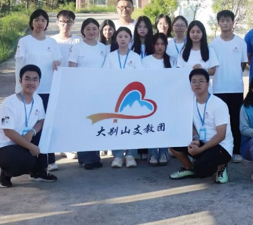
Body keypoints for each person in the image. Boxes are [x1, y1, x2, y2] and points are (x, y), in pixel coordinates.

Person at [0, 65, 57, 187]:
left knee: (48, 132)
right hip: (2, 147)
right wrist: (31, 146)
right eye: (27, 79)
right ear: (20, 81)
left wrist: (31, 133)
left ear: (39, 82)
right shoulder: (9, 103)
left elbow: (41, 121)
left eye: (35, 79)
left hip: (23, 141)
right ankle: (5, 172)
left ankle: (38, 173)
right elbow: (8, 131)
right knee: (27, 162)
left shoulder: (37, 99)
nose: (31, 83)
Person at [15, 9, 61, 171]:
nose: (40, 23)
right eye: (36, 20)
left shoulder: (52, 43)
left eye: (43, 20)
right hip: (30, 91)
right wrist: (19, 88)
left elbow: (58, 64)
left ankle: (49, 159)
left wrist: (57, 65)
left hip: (48, 89)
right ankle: (31, 160)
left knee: (48, 125)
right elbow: (19, 66)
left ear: (47, 23)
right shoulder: (24, 41)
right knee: (31, 125)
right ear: (31, 22)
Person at [169, 69, 233, 184]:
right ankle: (189, 168)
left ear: (208, 84)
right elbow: (191, 124)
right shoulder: (190, 102)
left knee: (202, 171)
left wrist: (200, 150)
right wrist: (195, 139)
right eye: (193, 81)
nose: (197, 84)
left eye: (201, 81)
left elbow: (221, 135)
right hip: (201, 142)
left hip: (220, 146)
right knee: (172, 142)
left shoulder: (219, 104)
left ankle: (222, 165)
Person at [210, 10, 248, 164]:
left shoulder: (241, 42)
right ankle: (221, 150)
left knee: (235, 120)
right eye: (222, 20)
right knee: (219, 122)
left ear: (233, 22)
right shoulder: (213, 44)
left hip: (236, 88)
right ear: (218, 23)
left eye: (228, 20)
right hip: (218, 88)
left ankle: (236, 151)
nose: (225, 23)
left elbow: (243, 64)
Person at [68, 18, 107, 170]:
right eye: (88, 29)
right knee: (84, 124)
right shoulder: (77, 47)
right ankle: (85, 158)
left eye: (94, 29)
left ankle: (95, 157)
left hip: (99, 91)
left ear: (98, 31)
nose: (91, 32)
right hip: (82, 91)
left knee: (96, 123)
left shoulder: (103, 47)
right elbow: (71, 70)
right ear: (83, 31)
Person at [103, 26, 143, 168]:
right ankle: (118, 155)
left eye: (126, 36)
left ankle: (131, 154)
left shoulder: (136, 57)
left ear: (130, 39)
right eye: (120, 36)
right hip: (115, 96)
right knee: (116, 124)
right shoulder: (110, 56)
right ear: (116, 39)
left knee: (132, 124)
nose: (123, 39)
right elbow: (105, 75)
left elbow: (140, 76)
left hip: (131, 96)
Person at [52, 10, 82, 161]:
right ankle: (57, 147)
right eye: (63, 22)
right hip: (55, 83)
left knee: (71, 116)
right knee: (56, 117)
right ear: (57, 22)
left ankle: (69, 146)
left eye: (69, 22)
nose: (65, 25)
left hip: (72, 84)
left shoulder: (78, 41)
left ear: (73, 23)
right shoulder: (51, 41)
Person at [142, 33, 174, 166]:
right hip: (150, 99)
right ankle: (152, 152)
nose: (160, 47)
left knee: (164, 125)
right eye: (157, 44)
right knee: (151, 125)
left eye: (162, 44)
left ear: (166, 45)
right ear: (153, 45)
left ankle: (164, 151)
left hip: (166, 98)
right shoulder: (146, 60)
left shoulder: (171, 60)